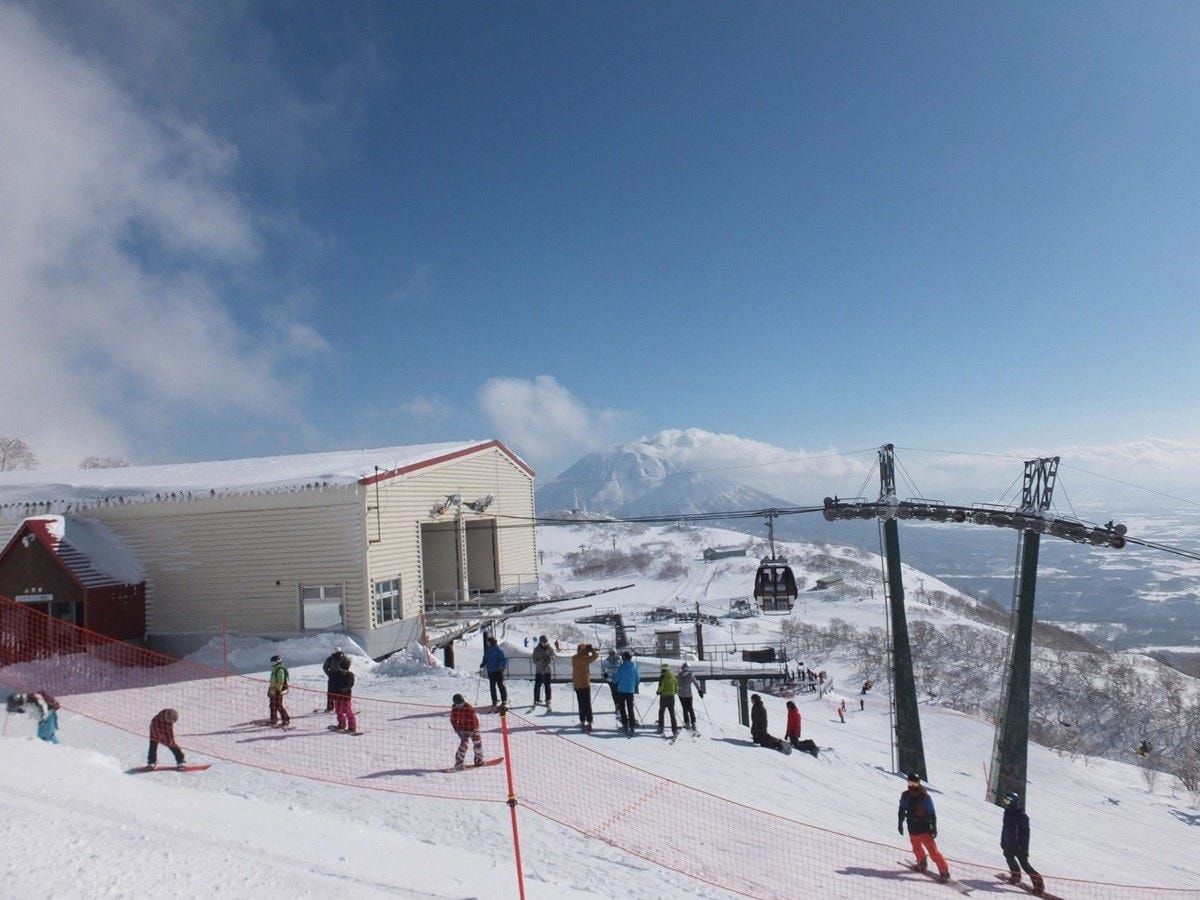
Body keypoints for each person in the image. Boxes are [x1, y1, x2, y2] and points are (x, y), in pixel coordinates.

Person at [899, 773, 949, 883]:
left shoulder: (924, 796)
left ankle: (944, 872)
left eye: (915, 783)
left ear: (919, 783)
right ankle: (921, 863)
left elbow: (931, 813)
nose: (912, 785)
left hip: (924, 828)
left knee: (933, 852)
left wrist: (934, 827)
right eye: (910, 782)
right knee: (916, 848)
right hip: (912, 827)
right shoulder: (905, 795)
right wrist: (900, 823)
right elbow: (902, 810)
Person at [1001, 792, 1044, 895]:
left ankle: (1039, 886)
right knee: (1008, 856)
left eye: (1007, 801)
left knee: (1025, 865)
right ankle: (1016, 875)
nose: (1006, 803)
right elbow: (1005, 828)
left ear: (1013, 802)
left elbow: (1025, 835)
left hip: (1019, 846)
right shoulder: (1007, 812)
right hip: (1009, 843)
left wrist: (1024, 849)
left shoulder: (1022, 816)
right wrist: (1003, 841)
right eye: (1005, 800)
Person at [450, 693, 485, 770]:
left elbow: (473, 720)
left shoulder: (468, 707)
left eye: (461, 704)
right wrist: (457, 729)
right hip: (462, 729)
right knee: (464, 744)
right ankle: (459, 763)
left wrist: (472, 729)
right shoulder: (455, 709)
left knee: (477, 741)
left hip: (473, 728)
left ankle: (479, 759)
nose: (460, 706)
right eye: (458, 704)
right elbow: (453, 720)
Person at [571, 643, 600, 731]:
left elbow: (579, 655)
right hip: (585, 684)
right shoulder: (586, 659)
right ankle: (590, 721)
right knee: (587, 703)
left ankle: (582, 720)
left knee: (581, 703)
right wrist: (592, 650)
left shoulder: (574, 658)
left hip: (577, 684)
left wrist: (585, 649)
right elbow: (596, 656)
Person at [328, 656, 358, 733]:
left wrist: (346, 688)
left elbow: (350, 684)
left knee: (347, 710)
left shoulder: (350, 675)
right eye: (342, 670)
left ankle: (352, 726)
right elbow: (332, 684)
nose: (343, 672)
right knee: (338, 710)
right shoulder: (335, 674)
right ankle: (342, 723)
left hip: (346, 697)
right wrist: (333, 692)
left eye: (345, 670)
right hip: (337, 696)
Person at [614, 651, 640, 735]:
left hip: (621, 690)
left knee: (622, 708)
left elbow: (616, 679)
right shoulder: (634, 666)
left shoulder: (622, 667)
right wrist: (634, 686)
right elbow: (637, 678)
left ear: (624, 658)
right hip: (630, 690)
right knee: (630, 708)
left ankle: (625, 724)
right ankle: (632, 725)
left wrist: (614, 680)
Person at [480, 636, 508, 709]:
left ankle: (504, 700)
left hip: (498, 671)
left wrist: (503, 667)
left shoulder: (499, 650)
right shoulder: (488, 651)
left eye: (489, 642)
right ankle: (494, 701)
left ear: (492, 642)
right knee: (492, 686)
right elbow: (485, 658)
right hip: (490, 671)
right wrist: (483, 663)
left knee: (500, 685)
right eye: (487, 642)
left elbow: (504, 660)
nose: (488, 644)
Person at [677, 663, 704, 731]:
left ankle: (687, 723)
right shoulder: (690, 675)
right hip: (688, 694)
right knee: (690, 708)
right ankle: (693, 723)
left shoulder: (679, 675)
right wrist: (699, 691)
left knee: (684, 708)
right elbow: (696, 683)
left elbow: (675, 683)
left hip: (681, 694)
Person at [531, 635, 556, 709]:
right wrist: (541, 662)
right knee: (537, 685)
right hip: (539, 670)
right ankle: (536, 699)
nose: (545, 643)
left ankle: (548, 700)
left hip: (547, 670)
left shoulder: (549, 648)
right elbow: (534, 659)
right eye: (543, 642)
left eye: (546, 642)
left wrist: (551, 657)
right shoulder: (536, 649)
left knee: (547, 685)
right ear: (541, 642)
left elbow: (554, 655)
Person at [656, 663, 679, 735]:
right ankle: (674, 730)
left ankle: (661, 727)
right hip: (671, 697)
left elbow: (661, 686)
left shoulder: (662, 677)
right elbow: (676, 684)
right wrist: (675, 692)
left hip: (663, 697)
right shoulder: (672, 676)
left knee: (661, 712)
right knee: (672, 714)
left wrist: (658, 692)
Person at [322, 647, 347, 712]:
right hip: (341, 679)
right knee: (341, 693)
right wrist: (344, 675)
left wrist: (329, 674)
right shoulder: (344, 659)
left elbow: (325, 667)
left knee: (330, 693)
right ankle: (342, 707)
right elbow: (347, 668)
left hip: (332, 678)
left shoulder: (330, 659)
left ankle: (330, 707)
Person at [268, 655, 290, 726]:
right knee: (272, 705)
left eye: (273, 662)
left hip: (278, 691)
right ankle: (273, 719)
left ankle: (286, 719)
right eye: (271, 663)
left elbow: (280, 681)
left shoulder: (280, 670)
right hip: (272, 690)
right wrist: (269, 689)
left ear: (277, 662)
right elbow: (272, 681)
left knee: (278, 705)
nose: (272, 664)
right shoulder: (274, 669)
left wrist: (278, 690)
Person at [601, 649, 622, 714]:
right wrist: (604, 674)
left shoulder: (620, 660)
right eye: (611, 653)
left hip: (618, 679)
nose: (612, 655)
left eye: (613, 653)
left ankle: (620, 707)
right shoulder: (606, 661)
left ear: (616, 653)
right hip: (610, 680)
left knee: (619, 693)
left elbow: (623, 668)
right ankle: (617, 706)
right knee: (614, 693)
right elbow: (603, 669)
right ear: (609, 654)